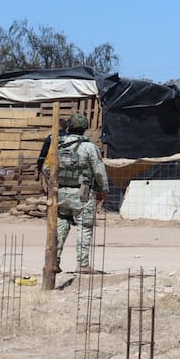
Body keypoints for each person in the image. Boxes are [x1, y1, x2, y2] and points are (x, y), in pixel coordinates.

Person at [51, 113, 108, 274]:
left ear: (69, 127)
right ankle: (82, 264)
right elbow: (99, 170)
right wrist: (104, 190)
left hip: (61, 192)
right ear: (84, 129)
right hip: (83, 193)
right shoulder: (89, 148)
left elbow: (48, 169)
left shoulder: (58, 145)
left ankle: (53, 261)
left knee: (61, 225)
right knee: (84, 227)